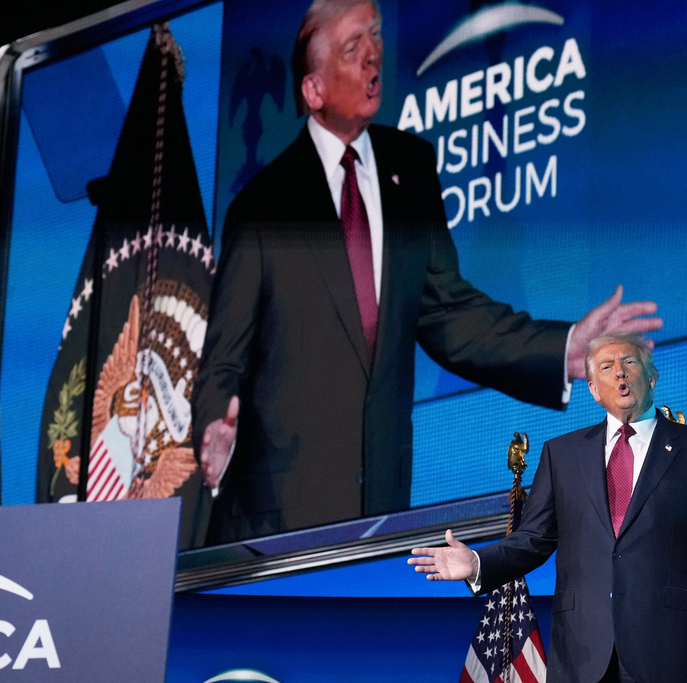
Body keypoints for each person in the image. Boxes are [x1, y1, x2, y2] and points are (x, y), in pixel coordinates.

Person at [192, 0, 661, 544]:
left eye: (375, 37)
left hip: (378, 514)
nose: (373, 56)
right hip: (275, 524)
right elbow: (222, 359)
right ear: (313, 90)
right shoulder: (262, 205)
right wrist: (212, 427)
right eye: (352, 48)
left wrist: (564, 347)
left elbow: (450, 314)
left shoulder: (409, 167)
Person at [409, 332, 687, 683]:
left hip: (667, 650)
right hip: (582, 652)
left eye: (630, 363)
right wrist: (476, 564)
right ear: (593, 388)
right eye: (607, 367)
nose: (619, 374)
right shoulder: (560, 455)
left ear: (651, 377)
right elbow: (533, 540)